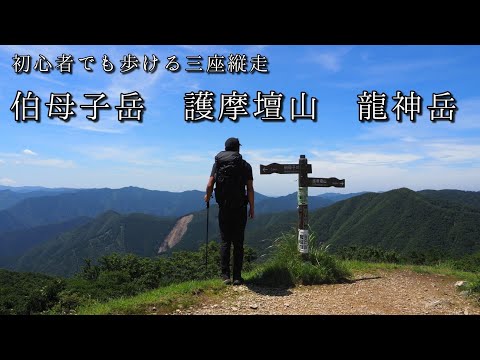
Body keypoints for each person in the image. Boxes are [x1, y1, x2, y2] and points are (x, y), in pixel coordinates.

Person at [204, 137, 254, 285]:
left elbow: (209, 184)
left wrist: (207, 197)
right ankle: (237, 277)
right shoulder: (245, 165)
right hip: (240, 208)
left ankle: (225, 276)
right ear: (238, 148)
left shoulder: (218, 164)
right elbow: (250, 189)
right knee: (238, 243)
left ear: (225, 148)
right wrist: (252, 208)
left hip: (224, 207)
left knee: (225, 241)